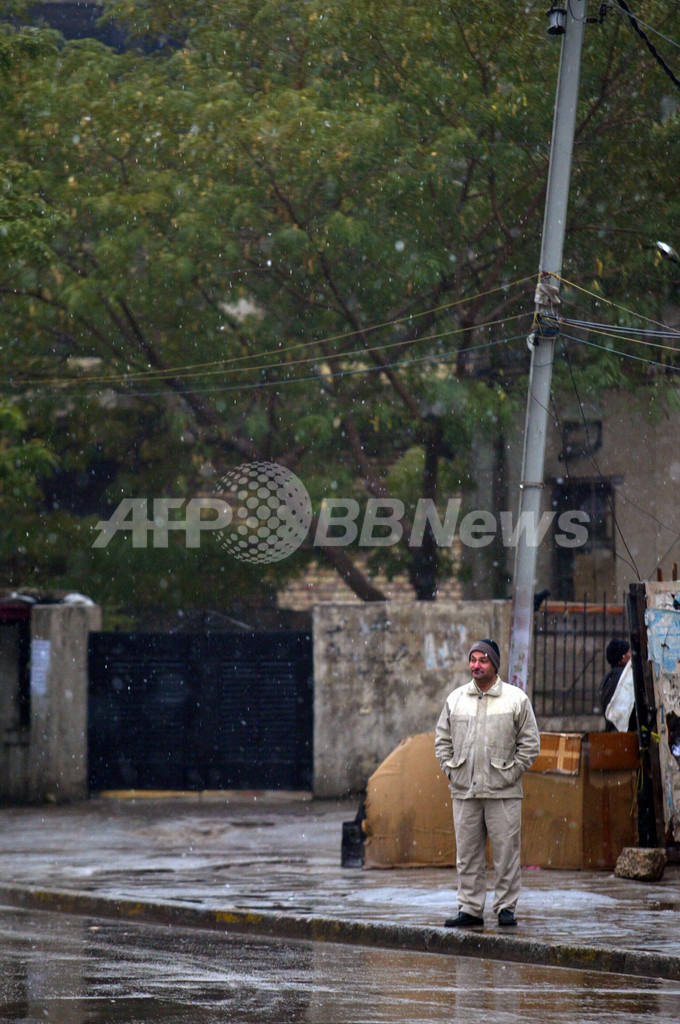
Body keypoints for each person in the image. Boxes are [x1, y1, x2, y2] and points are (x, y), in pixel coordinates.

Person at [434, 638, 540, 929]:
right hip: (465, 791)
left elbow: (530, 744)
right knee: (467, 855)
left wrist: (512, 772)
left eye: (482, 660)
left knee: (506, 854)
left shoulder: (515, 699)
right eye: (472, 660)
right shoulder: (455, 699)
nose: (475, 666)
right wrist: (451, 771)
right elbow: (442, 741)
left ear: (495, 664)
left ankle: (505, 909)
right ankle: (469, 909)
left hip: (503, 792)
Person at [599, 638, 634, 732]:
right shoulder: (625, 677)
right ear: (622, 658)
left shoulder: (609, 678)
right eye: (629, 652)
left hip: (613, 732)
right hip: (625, 733)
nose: (631, 655)